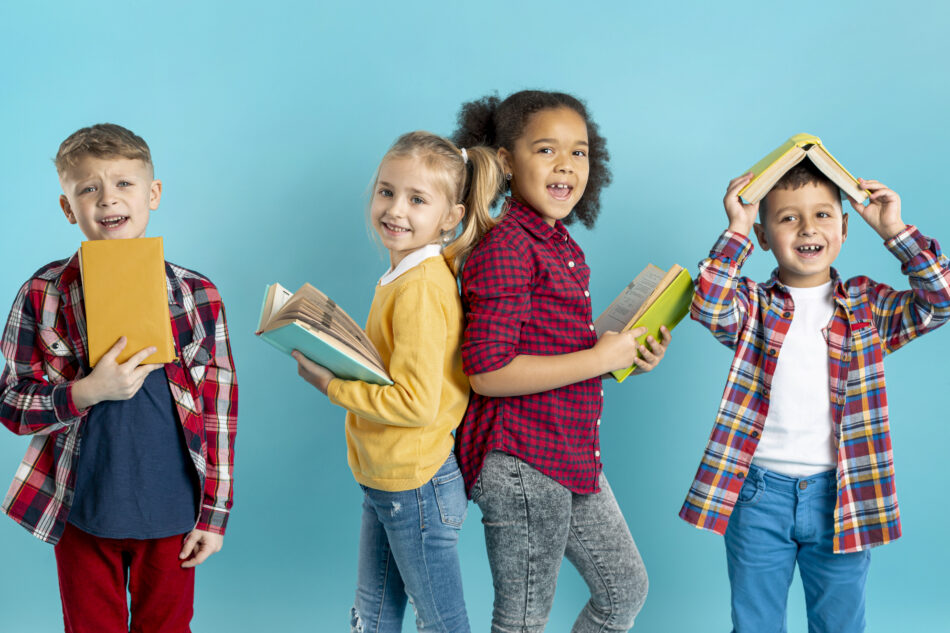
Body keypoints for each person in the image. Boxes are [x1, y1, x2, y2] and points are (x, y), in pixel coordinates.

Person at [680, 161, 950, 632]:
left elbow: (940, 301)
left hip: (842, 494)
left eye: (822, 215)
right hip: (758, 495)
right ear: (764, 237)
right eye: (788, 218)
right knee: (755, 624)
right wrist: (737, 227)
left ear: (844, 227)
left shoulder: (867, 304)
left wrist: (895, 232)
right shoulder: (753, 305)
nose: (808, 228)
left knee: (840, 623)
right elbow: (708, 304)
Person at [0, 123, 239, 632]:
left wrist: (213, 514)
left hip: (172, 511)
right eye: (89, 188)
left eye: (124, 183)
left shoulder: (198, 295)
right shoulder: (42, 293)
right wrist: (84, 392)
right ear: (68, 208)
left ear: (153, 194)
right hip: (81, 508)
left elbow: (219, 412)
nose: (108, 198)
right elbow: (11, 403)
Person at [452, 90, 670, 632]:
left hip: (568, 450)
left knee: (624, 591)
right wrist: (597, 358)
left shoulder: (559, 244)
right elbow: (488, 372)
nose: (567, 165)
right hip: (521, 459)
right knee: (524, 620)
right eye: (546, 149)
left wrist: (621, 354)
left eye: (580, 152)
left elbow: (552, 344)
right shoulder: (505, 247)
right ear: (506, 161)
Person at [292, 130, 503, 633]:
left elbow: (416, 404)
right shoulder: (406, 275)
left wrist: (332, 386)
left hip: (415, 484)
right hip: (389, 478)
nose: (395, 210)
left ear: (450, 217)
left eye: (417, 199)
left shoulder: (421, 289)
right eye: (386, 191)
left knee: (442, 624)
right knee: (373, 615)